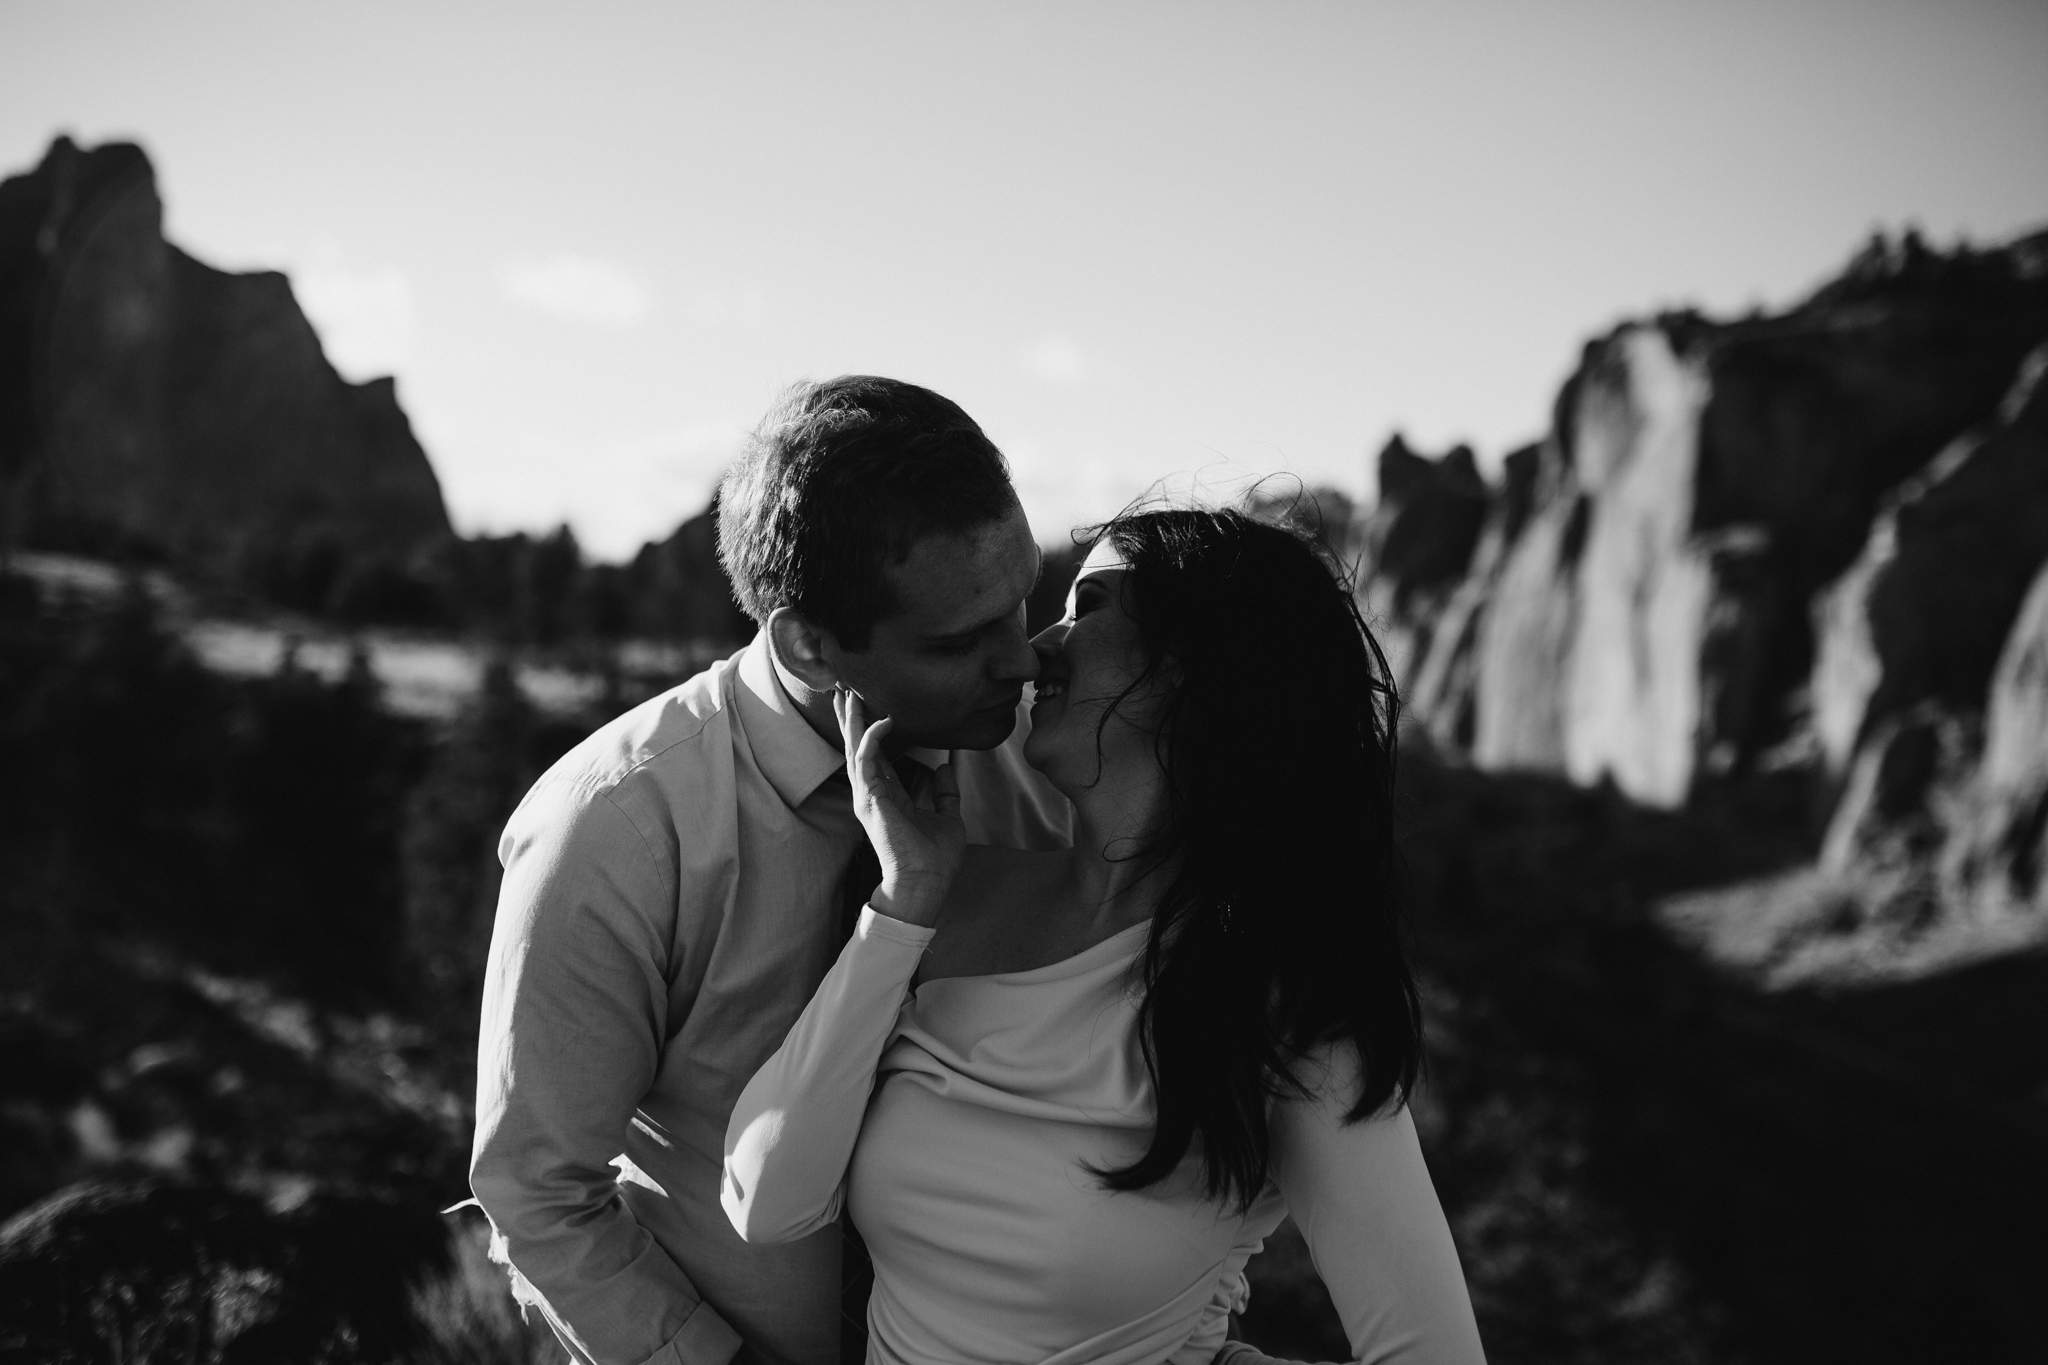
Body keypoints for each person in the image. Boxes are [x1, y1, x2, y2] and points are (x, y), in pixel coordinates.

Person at [722, 506, 1488, 1365]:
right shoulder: (941, 899)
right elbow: (766, 1200)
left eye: (1089, 605)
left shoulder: (1282, 1013)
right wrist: (904, 901)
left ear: (1197, 663)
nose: (1035, 648)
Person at [469, 376, 1073, 1365]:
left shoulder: (1043, 770)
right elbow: (538, 1196)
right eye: (961, 640)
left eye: (1022, 605)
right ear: (809, 644)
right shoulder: (616, 829)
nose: (1020, 664)